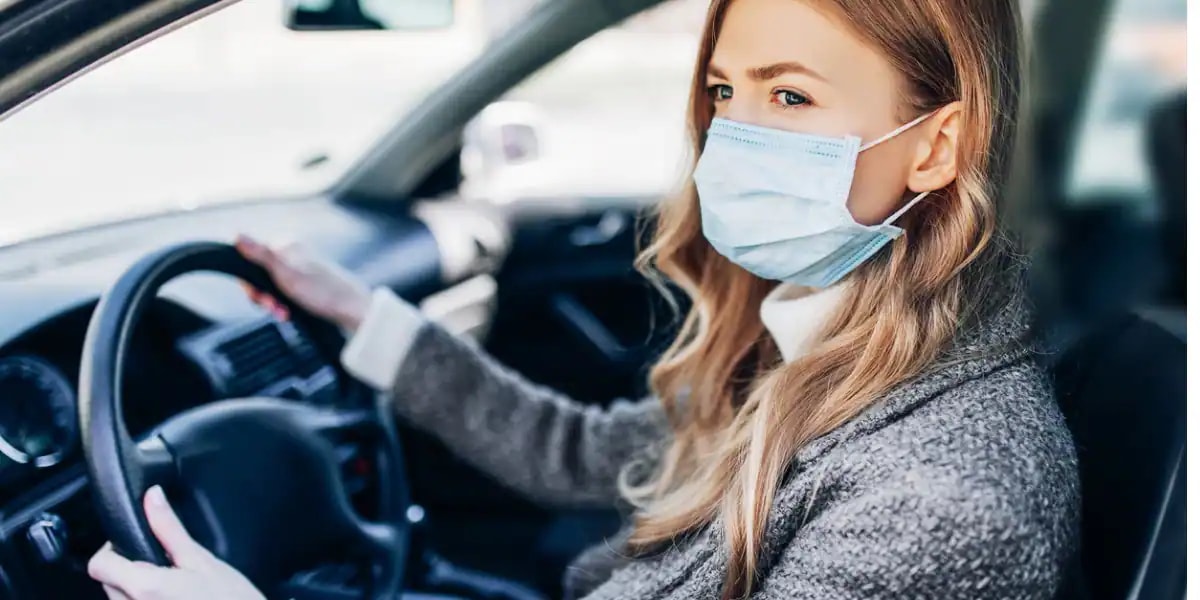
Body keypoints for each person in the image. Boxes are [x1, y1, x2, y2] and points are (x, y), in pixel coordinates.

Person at [87, 0, 1081, 598]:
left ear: (937, 147)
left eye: (791, 98)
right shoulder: (827, 330)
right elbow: (586, 453)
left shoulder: (943, 503)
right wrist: (365, 318)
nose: (729, 139)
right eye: (725, 94)